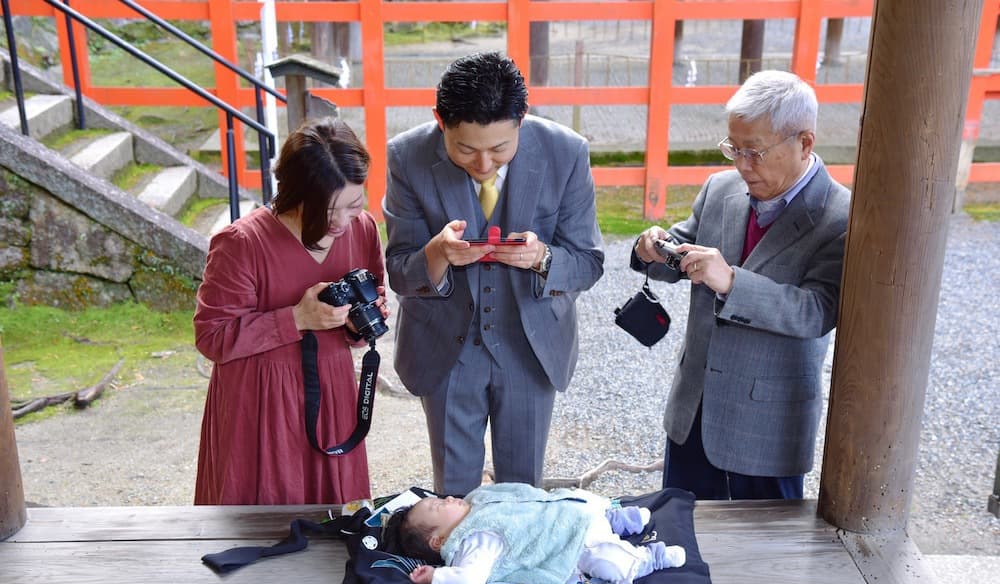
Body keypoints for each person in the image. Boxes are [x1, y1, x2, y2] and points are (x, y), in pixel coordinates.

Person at [383, 52, 605, 497]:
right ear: (440, 121)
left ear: (521, 119)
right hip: (445, 347)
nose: (484, 164)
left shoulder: (566, 153)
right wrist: (438, 253)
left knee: (523, 493)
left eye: (500, 149)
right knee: (453, 498)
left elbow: (588, 262)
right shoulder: (407, 156)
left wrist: (543, 257)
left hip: (531, 346)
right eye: (465, 149)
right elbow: (399, 272)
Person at [631, 70, 851, 501]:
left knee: (764, 559)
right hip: (693, 410)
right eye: (734, 148)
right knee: (680, 541)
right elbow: (681, 249)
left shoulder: (840, 215)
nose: (741, 164)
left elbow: (818, 311)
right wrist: (651, 250)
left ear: (805, 143)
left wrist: (731, 281)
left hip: (767, 426)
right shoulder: (721, 187)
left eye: (755, 152)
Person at [193, 117, 388, 505]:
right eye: (328, 209)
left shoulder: (362, 228)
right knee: (259, 527)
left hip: (332, 392)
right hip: (259, 401)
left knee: (335, 523)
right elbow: (211, 336)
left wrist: (355, 324)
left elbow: (370, 300)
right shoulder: (241, 243)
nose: (342, 220)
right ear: (296, 195)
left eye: (353, 205)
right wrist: (297, 318)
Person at [390, 482, 685, 584]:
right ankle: (650, 558)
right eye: (439, 506)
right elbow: (469, 581)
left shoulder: (476, 500)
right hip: (568, 542)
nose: (448, 498)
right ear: (439, 540)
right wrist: (436, 577)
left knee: (586, 500)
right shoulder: (474, 539)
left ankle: (616, 518)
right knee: (609, 561)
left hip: (565, 507)